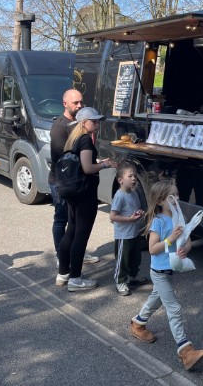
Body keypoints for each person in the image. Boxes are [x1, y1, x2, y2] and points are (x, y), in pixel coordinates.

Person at [129, 179, 203, 371]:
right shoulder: (158, 221)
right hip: (158, 272)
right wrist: (170, 240)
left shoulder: (177, 218)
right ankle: (185, 351)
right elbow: (153, 249)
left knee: (156, 298)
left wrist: (185, 249)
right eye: (171, 196)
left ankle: (138, 323)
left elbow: (187, 241)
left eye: (177, 194)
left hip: (170, 270)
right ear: (159, 201)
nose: (176, 199)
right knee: (174, 309)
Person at [56, 107, 117, 291]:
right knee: (80, 236)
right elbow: (87, 168)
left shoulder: (73, 139)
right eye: (94, 121)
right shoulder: (85, 141)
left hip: (73, 192)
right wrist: (105, 164)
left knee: (71, 232)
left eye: (98, 121)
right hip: (85, 194)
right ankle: (76, 279)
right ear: (84, 123)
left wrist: (97, 162)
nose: (97, 124)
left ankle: (63, 273)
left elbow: (84, 164)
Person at [48, 89, 99, 266]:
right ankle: (61, 255)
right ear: (65, 104)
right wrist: (95, 164)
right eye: (75, 103)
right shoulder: (60, 127)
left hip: (75, 181)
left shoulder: (78, 125)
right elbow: (61, 159)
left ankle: (75, 254)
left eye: (81, 102)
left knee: (74, 225)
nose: (79, 105)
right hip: (62, 181)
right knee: (62, 219)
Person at [110, 161, 146, 296]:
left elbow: (135, 209)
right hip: (123, 235)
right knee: (123, 259)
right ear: (120, 180)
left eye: (135, 176)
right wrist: (129, 219)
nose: (134, 179)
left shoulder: (134, 193)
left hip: (134, 233)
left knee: (135, 258)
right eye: (130, 176)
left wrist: (139, 213)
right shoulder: (119, 196)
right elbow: (113, 216)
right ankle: (120, 281)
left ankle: (132, 277)